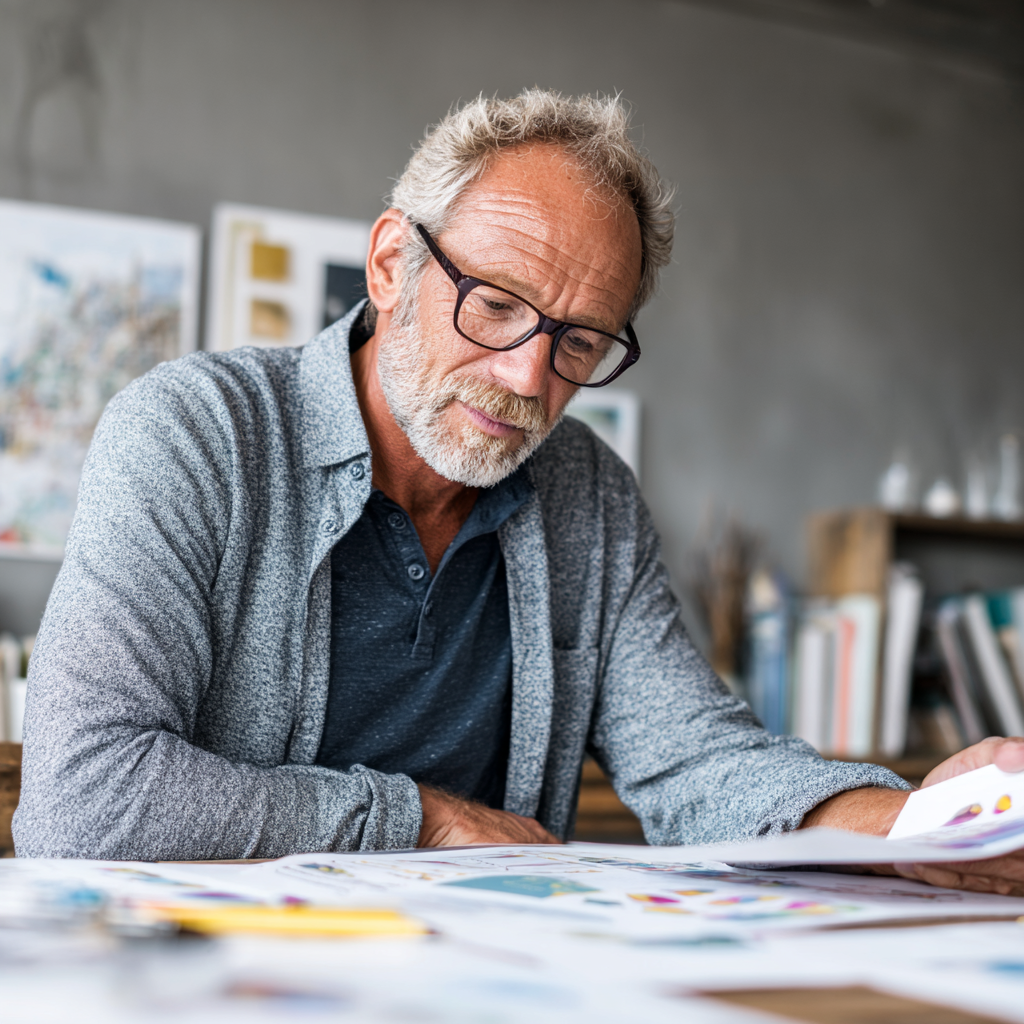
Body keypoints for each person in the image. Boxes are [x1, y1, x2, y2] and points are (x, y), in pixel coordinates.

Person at [13, 91, 1024, 896]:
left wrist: (915, 825)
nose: (529, 379)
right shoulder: (193, 433)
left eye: (580, 340)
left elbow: (694, 759)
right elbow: (80, 797)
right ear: (388, 266)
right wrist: (421, 818)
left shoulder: (589, 494)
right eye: (495, 305)